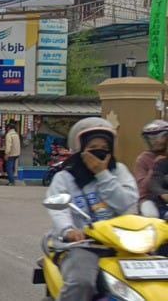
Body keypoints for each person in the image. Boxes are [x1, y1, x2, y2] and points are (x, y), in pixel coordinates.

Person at [45, 117, 138, 301]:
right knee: (82, 282)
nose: (99, 151)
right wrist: (69, 231)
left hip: (122, 244)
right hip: (83, 245)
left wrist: (102, 174)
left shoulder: (119, 172)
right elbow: (59, 209)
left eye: (104, 147)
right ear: (80, 149)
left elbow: (127, 203)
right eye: (93, 147)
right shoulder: (65, 177)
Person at [136, 120, 168, 217]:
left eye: (159, 137)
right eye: (150, 138)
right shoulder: (143, 159)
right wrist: (154, 166)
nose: (155, 141)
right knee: (151, 215)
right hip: (149, 199)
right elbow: (143, 189)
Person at [4, 120, 21, 186]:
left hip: (11, 154)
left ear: (8, 128)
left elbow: (9, 145)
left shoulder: (9, 135)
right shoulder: (16, 134)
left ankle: (11, 181)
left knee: (9, 168)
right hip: (16, 153)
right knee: (13, 167)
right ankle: (12, 180)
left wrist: (6, 153)